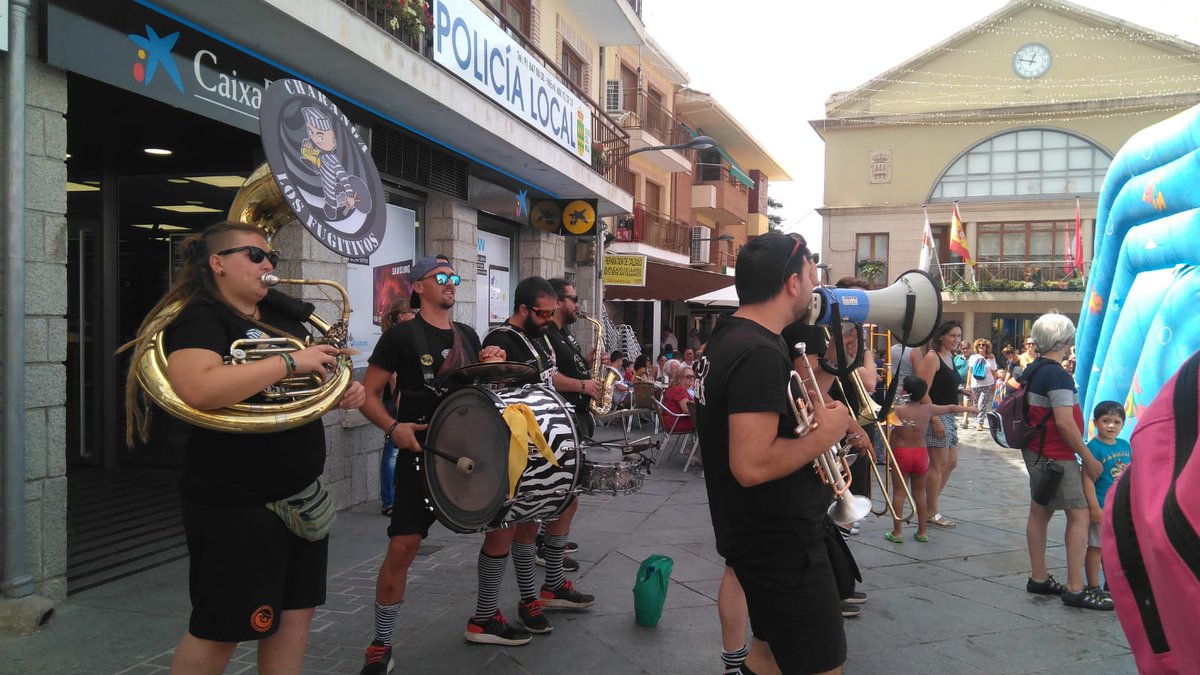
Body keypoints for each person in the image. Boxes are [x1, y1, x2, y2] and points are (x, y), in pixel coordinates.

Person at [120, 221, 367, 674]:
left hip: (301, 495)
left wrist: (342, 389)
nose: (267, 263)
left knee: (293, 618)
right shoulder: (201, 318)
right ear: (217, 263)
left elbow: (304, 381)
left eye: (271, 255)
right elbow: (198, 388)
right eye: (255, 255)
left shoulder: (280, 316)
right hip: (236, 503)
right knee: (223, 629)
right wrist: (289, 360)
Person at [695, 231, 852, 675]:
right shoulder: (758, 352)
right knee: (821, 667)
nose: (815, 283)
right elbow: (750, 464)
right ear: (792, 282)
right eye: (811, 274)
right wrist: (825, 435)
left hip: (759, 537)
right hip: (781, 547)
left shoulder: (730, 337)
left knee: (766, 658)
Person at [356, 255, 507, 672]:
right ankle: (381, 643)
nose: (450, 281)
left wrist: (490, 364)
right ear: (418, 287)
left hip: (470, 455)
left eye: (453, 276)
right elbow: (368, 394)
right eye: (440, 276)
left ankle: (485, 617)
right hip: (421, 456)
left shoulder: (467, 335)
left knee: (502, 528)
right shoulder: (401, 337)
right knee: (403, 546)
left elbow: (477, 392)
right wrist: (392, 428)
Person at [477, 276, 595, 642]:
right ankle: (484, 615)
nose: (548, 319)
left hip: (542, 442)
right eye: (542, 313)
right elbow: (493, 390)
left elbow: (547, 379)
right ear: (523, 309)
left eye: (550, 312)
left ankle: (534, 597)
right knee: (504, 528)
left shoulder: (538, 337)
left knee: (537, 518)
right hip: (513, 447)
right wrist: (491, 364)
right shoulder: (501, 339)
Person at [1020, 312, 1106, 610]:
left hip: (1036, 450)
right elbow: (1065, 423)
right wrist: (1088, 457)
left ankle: (1039, 577)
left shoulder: (1033, 369)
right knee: (1080, 514)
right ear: (1063, 342)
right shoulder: (1057, 375)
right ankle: (1075, 588)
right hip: (1056, 454)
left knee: (1039, 512)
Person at [885, 376, 975, 543]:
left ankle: (897, 533)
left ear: (905, 391)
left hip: (902, 453)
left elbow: (885, 425)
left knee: (899, 493)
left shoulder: (896, 410)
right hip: (920, 454)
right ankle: (922, 532)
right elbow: (950, 408)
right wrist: (969, 409)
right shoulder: (927, 410)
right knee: (919, 494)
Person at [915, 320, 965, 529]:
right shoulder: (932, 357)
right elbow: (922, 390)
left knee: (950, 462)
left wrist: (961, 391)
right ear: (941, 336)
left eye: (959, 336)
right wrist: (935, 419)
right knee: (938, 465)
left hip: (948, 415)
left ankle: (929, 506)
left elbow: (943, 383)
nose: (956, 340)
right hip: (936, 415)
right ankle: (930, 512)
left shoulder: (949, 357)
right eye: (952, 335)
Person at [1081, 400, 1128, 605]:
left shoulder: (1125, 446)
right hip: (1101, 507)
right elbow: (1087, 480)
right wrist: (1094, 507)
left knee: (1115, 548)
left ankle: (1113, 584)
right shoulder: (1093, 448)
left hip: (1120, 508)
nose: (1111, 425)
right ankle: (1093, 586)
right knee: (1096, 547)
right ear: (1095, 423)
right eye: (1106, 420)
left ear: (1123, 425)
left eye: (1116, 422)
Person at [376, 296, 416, 517]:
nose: (415, 316)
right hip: (395, 401)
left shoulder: (402, 336)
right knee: (392, 451)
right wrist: (400, 401)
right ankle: (389, 500)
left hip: (397, 399)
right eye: (412, 312)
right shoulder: (394, 338)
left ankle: (394, 497)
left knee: (396, 451)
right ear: (401, 316)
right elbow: (392, 376)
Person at [966, 338, 998, 431]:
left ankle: (980, 423)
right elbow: (970, 371)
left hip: (987, 384)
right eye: (979, 345)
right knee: (975, 403)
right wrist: (968, 384)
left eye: (983, 345)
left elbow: (994, 372)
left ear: (986, 347)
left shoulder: (991, 358)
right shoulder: (973, 357)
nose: (981, 346)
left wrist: (995, 384)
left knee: (982, 403)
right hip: (975, 384)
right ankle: (978, 419)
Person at [660, 365, 696, 434]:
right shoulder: (679, 390)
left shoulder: (677, 388)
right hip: (675, 422)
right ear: (680, 378)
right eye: (688, 376)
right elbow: (687, 410)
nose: (691, 379)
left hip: (673, 420)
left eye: (693, 376)